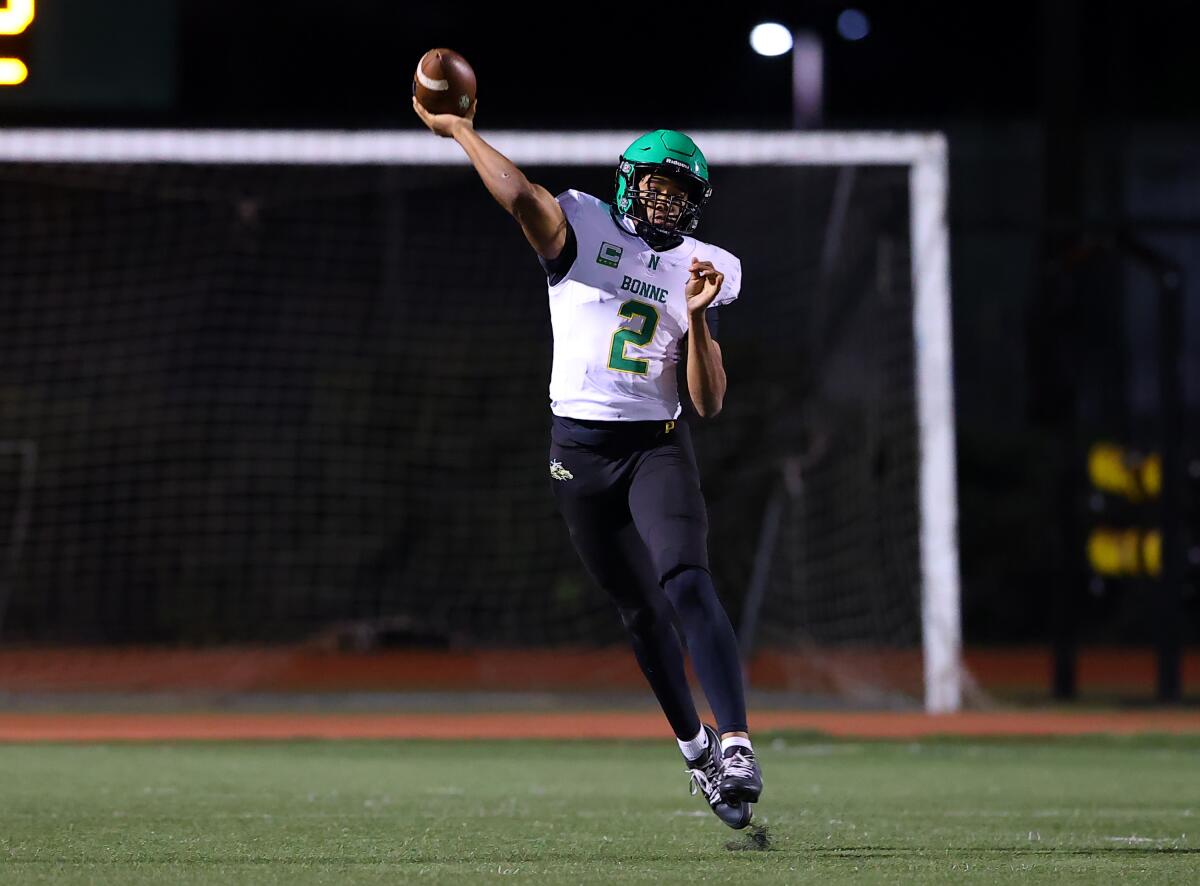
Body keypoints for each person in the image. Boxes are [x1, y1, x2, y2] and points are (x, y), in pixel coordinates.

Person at [412, 95, 762, 829]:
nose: (667, 204)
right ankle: (695, 751)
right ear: (628, 184)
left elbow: (708, 402)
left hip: (655, 446)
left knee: (687, 580)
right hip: (578, 452)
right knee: (639, 612)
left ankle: (734, 744)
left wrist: (697, 319)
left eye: (681, 194)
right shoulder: (583, 225)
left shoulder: (706, 269)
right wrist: (460, 131)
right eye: (657, 187)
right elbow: (520, 196)